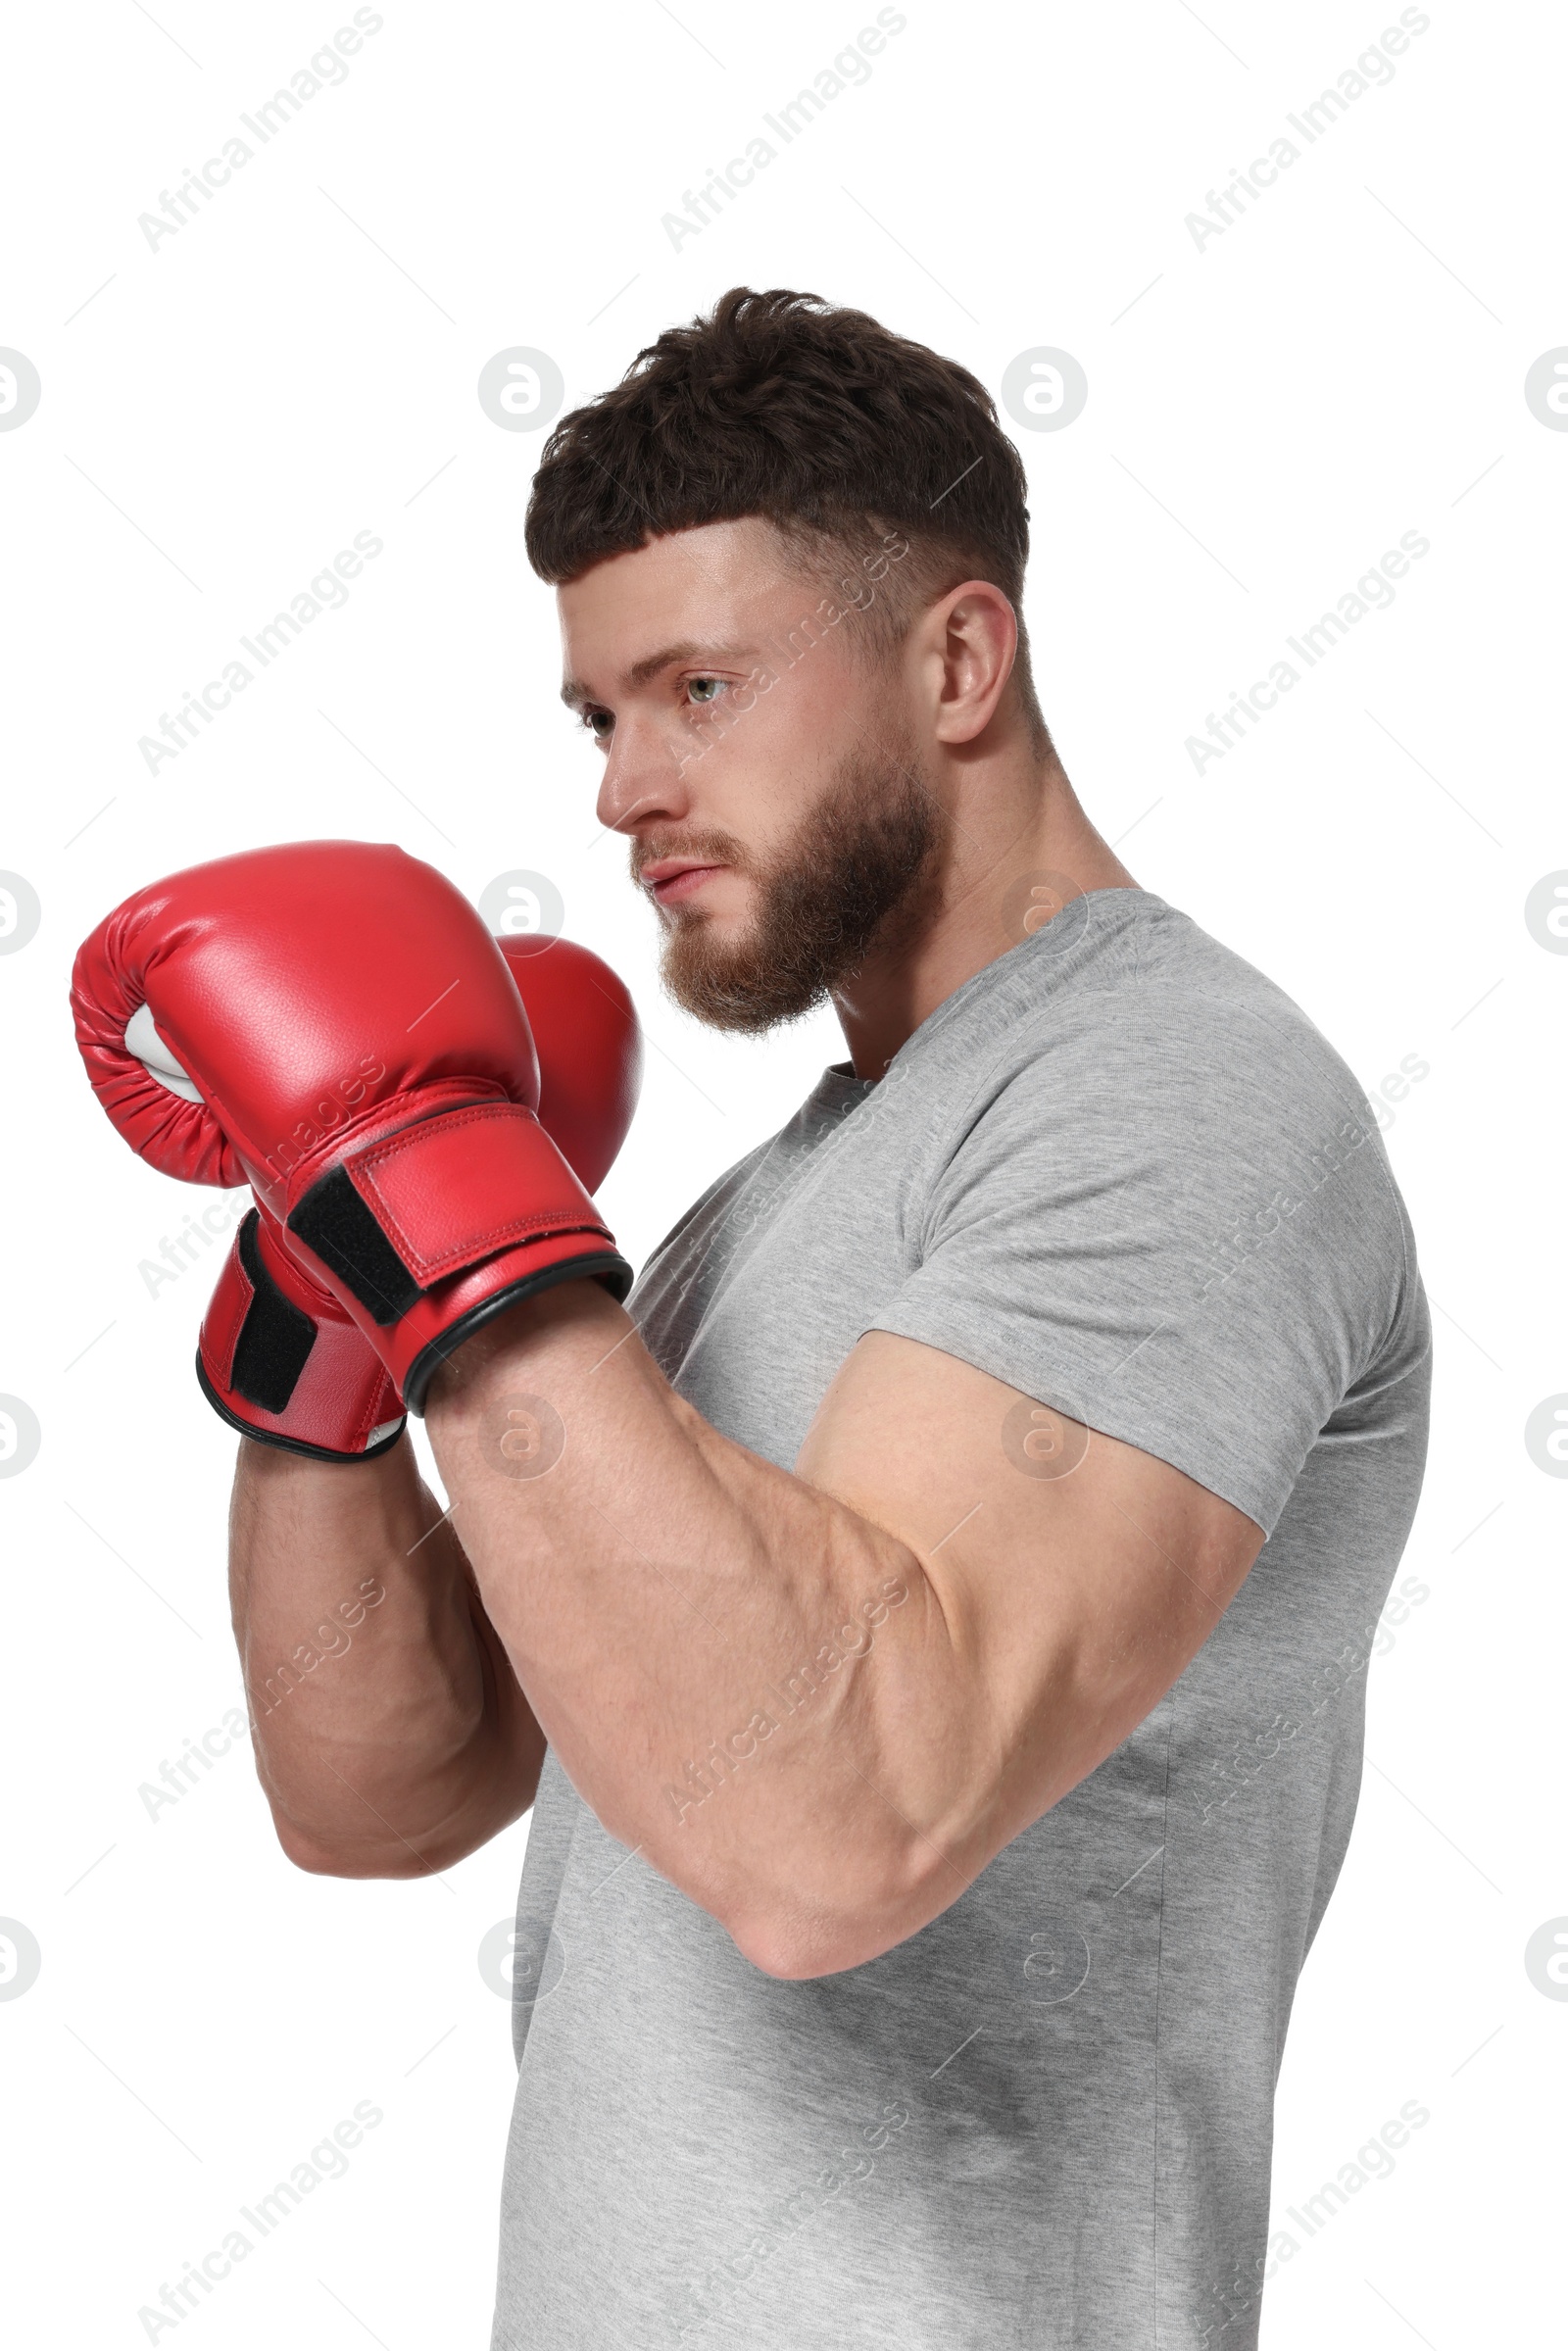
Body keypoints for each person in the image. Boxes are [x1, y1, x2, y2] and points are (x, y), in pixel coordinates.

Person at [73, 287, 1430, 2351]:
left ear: (954, 658)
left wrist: (458, 1245)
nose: (623, 789)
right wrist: (324, 1338)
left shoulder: (1173, 1098)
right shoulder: (777, 1199)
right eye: (597, 716)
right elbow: (389, 1792)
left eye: (695, 686)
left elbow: (833, 1833)